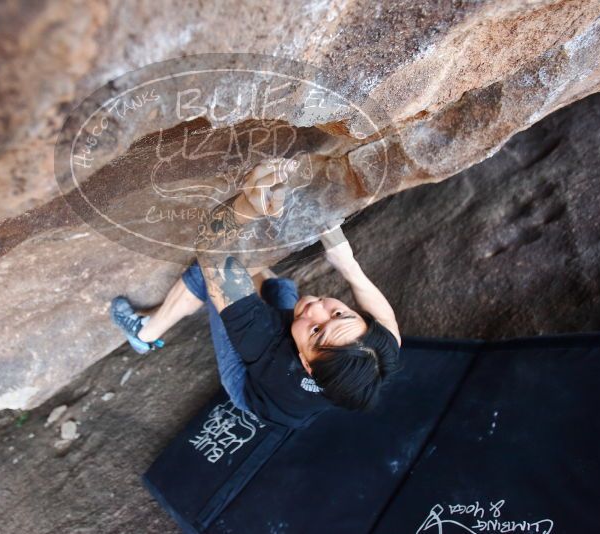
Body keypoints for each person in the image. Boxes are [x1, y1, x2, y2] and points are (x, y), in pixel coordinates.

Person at [111, 159, 402, 429]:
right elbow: (385, 320)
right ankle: (274, 302)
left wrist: (246, 206)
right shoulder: (377, 353)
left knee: (210, 275)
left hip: (249, 387)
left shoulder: (262, 340)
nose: (317, 307)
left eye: (316, 330)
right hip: (293, 391)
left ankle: (144, 334)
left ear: (305, 363)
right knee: (278, 287)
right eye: (337, 313)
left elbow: (211, 252)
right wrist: (347, 263)